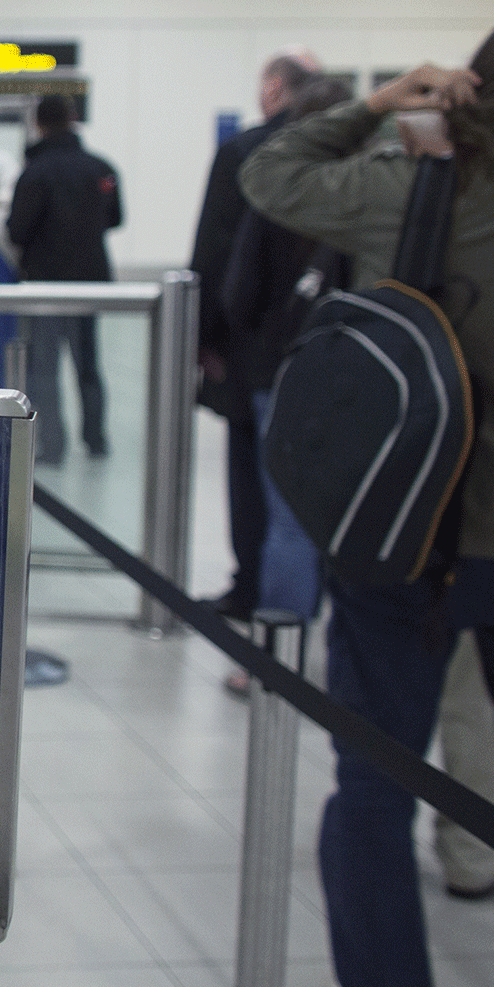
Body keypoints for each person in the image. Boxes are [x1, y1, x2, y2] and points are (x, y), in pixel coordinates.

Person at [240, 11, 494, 987]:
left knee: (373, 780)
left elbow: (267, 171)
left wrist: (377, 105)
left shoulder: (412, 189)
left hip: (402, 541)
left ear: (476, 86)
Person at [217, 73, 350, 650]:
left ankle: (282, 653)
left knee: (288, 518)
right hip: (366, 380)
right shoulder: (375, 194)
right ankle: (343, 649)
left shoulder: (279, 196)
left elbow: (239, 290)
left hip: (285, 369)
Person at [190, 47, 323, 619]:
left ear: (273, 90)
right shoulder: (354, 160)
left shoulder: (247, 152)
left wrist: (204, 339)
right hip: (335, 345)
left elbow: (218, 251)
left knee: (252, 471)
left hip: (257, 346)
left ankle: (255, 590)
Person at [6, 93, 121, 465]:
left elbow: (17, 230)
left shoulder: (35, 173)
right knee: (88, 363)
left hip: (46, 284)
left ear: (38, 123)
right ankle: (96, 439)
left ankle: (52, 445)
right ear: (73, 119)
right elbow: (115, 218)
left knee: (45, 367)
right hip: (90, 282)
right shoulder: (101, 168)